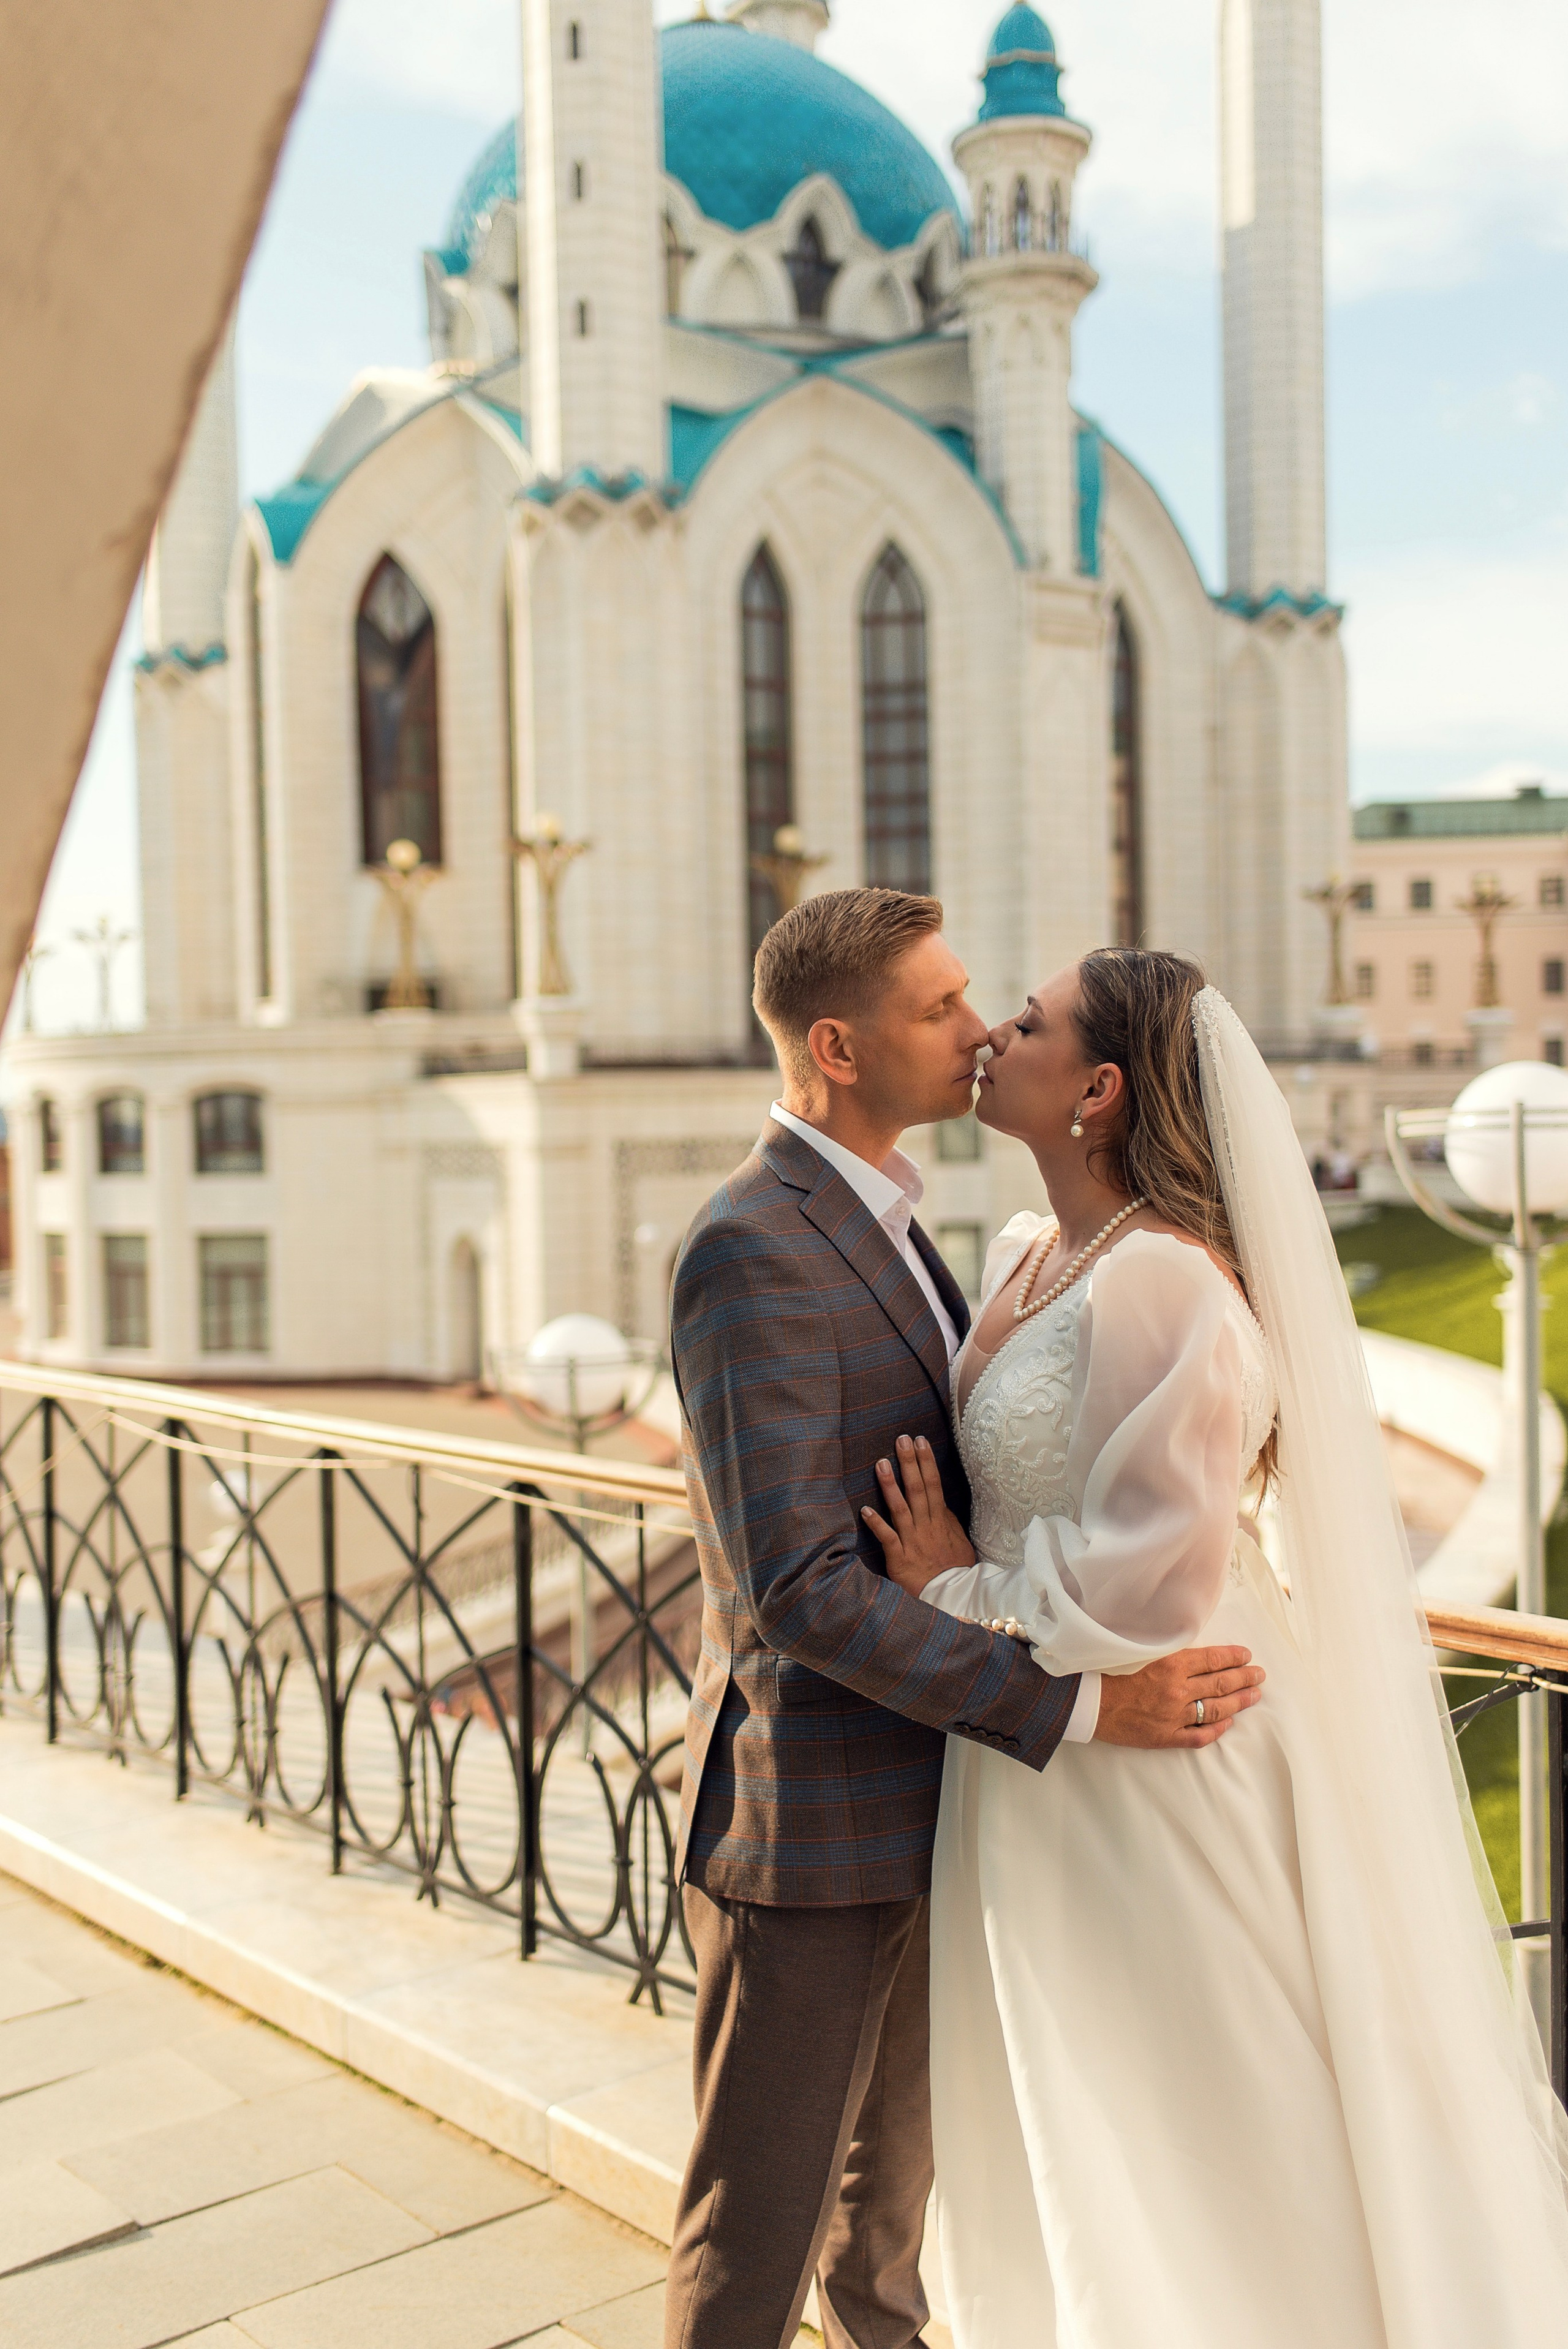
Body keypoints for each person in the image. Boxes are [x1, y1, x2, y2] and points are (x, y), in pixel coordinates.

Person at [864, 947, 1568, 2348]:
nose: (997, 1030)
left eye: (1033, 1019)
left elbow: (1151, 1579)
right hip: (1040, 1750)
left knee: (1200, 2116)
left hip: (1157, 1746)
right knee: (1083, 2111)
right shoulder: (1026, 1251)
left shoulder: (1165, 1286)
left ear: (1100, 1088)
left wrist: (949, 1590)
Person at [663, 893, 1264, 2349]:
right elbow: (796, 1590)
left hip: (947, 1798)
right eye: (938, 1007)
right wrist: (1069, 1703)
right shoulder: (751, 1244)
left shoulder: (942, 1231)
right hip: (811, 1825)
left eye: (983, 1000)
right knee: (755, 2246)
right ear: (838, 1043)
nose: (977, 1026)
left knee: (882, 2249)